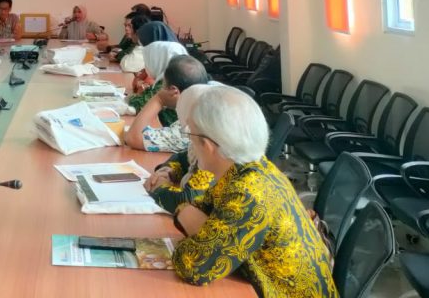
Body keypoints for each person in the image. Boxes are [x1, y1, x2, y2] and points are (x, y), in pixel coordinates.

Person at [172, 86, 337, 296]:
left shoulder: (249, 193)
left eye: (191, 135)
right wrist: (190, 215)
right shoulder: (251, 168)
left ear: (207, 144)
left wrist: (185, 213)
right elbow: (200, 208)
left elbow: (194, 266)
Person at [144, 83, 218, 214]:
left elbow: (188, 201)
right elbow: (182, 157)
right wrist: (169, 171)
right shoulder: (204, 140)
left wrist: (159, 187)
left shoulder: (215, 151)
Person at [123, 54, 208, 152]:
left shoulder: (190, 126)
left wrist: (159, 99)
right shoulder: (205, 107)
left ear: (174, 91)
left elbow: (133, 138)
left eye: (163, 86)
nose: (160, 90)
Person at [128, 39, 188, 115]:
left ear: (158, 61)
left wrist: (137, 94)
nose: (146, 66)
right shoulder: (182, 77)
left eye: (148, 61)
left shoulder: (166, 83)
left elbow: (138, 105)